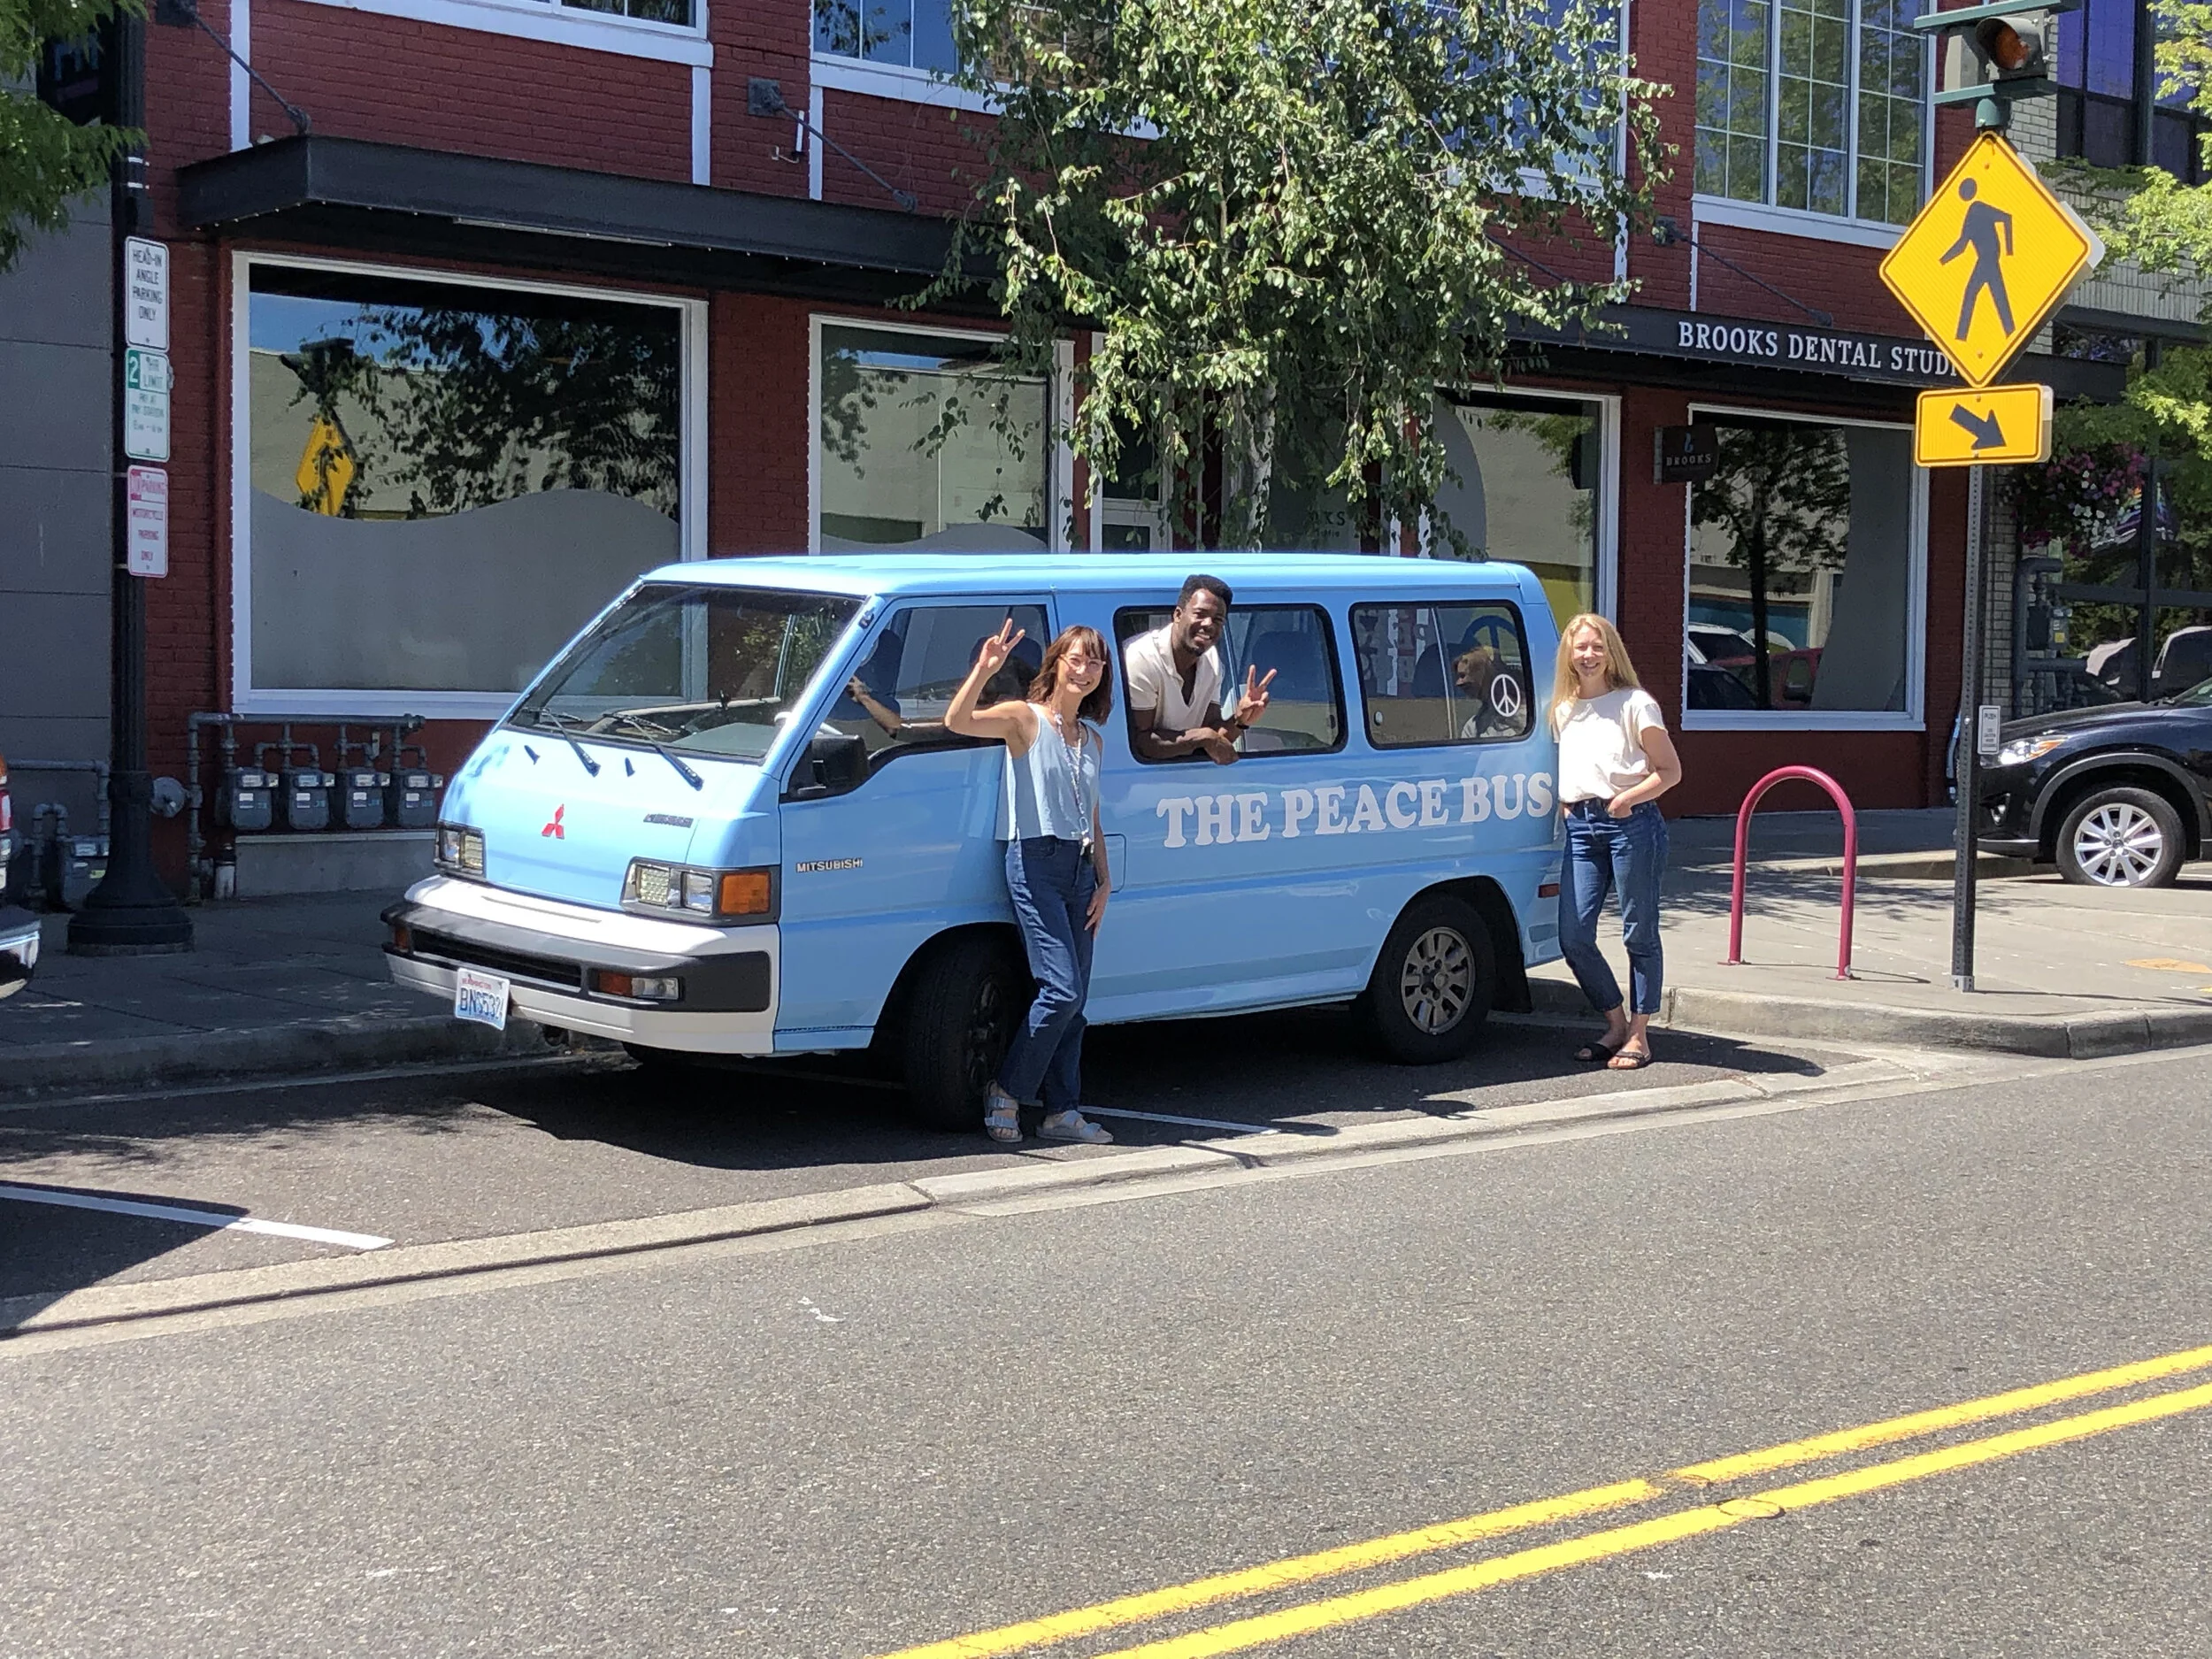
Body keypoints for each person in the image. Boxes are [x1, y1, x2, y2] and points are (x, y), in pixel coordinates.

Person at [946, 618, 1117, 1146]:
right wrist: (984, 670)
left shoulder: (1092, 740)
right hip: (1035, 859)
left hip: (1079, 867)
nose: (1085, 670)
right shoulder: (1026, 719)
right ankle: (1008, 1088)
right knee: (1060, 988)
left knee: (1077, 999)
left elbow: (1091, 814)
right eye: (1077, 658)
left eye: (1095, 662)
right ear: (1058, 662)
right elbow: (959, 721)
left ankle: (1061, 1110)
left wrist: (1104, 882)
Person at [1551, 613, 1682, 1071]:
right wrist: (1569, 804)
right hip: (1582, 830)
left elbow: (1670, 771)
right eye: (1580, 647)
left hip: (1632, 824)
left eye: (1597, 648)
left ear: (1612, 654)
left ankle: (1640, 1036)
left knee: (1638, 931)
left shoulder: (1635, 703)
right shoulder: (1563, 707)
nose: (1587, 656)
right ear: (1568, 653)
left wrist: (1626, 799)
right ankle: (1615, 1021)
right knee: (1574, 935)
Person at [1124, 573, 1274, 763]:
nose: (1208, 624)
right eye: (1200, 614)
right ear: (1178, 615)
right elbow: (1142, 742)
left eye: (1218, 620)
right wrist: (1202, 737)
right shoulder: (1141, 658)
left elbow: (1214, 735)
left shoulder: (1211, 660)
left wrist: (1240, 720)